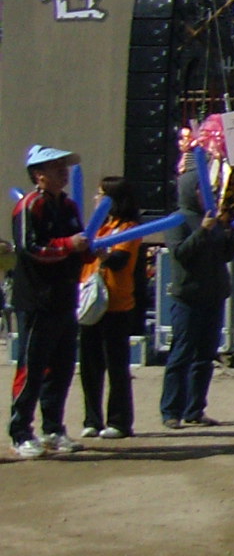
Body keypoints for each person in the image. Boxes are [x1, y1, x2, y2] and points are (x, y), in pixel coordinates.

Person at [11, 144, 89, 457]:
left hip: (64, 296)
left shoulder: (69, 206)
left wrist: (89, 250)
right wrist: (69, 244)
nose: (63, 171)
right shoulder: (30, 206)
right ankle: (20, 432)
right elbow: (31, 247)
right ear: (38, 175)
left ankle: (53, 429)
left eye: (64, 166)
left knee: (62, 366)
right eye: (55, 167)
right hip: (36, 298)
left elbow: (80, 243)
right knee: (32, 367)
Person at [161, 188, 234, 430]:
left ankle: (195, 409)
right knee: (181, 356)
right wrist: (202, 231)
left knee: (205, 358)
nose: (205, 193)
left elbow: (225, 255)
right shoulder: (177, 220)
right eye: (200, 189)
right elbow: (180, 253)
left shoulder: (212, 218)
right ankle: (171, 411)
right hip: (187, 298)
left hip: (214, 296)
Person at [78, 176, 143, 440]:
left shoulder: (129, 228)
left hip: (116, 305)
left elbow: (119, 260)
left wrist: (103, 254)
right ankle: (92, 419)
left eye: (101, 194)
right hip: (90, 303)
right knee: (89, 366)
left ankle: (119, 421)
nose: (96, 199)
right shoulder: (98, 228)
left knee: (116, 366)